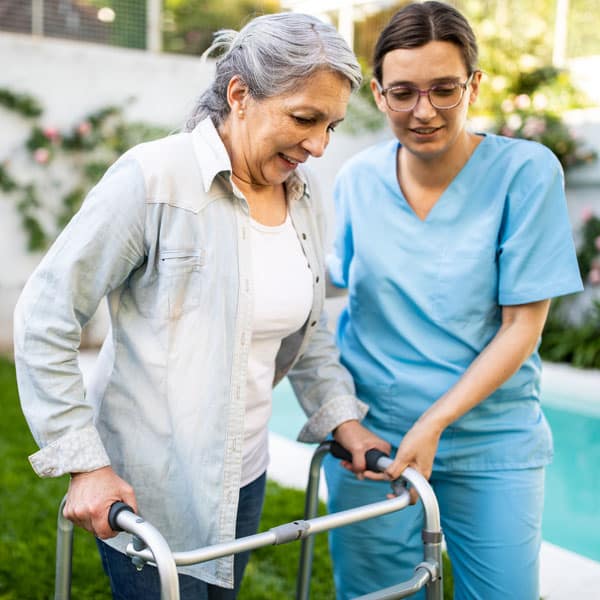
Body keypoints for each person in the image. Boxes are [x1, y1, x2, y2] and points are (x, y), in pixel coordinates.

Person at [13, 12, 388, 600]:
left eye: (332, 126)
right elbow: (46, 316)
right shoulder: (153, 177)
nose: (318, 145)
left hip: (247, 476)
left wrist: (343, 419)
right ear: (240, 94)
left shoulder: (304, 196)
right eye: (304, 118)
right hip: (149, 488)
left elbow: (307, 328)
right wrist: (86, 464)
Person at [323, 2, 584, 599]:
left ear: (474, 84)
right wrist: (343, 420)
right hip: (375, 447)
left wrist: (435, 421)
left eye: (444, 89)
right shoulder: (357, 181)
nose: (425, 111)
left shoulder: (526, 172)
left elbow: (523, 326)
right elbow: (322, 301)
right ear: (379, 93)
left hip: (491, 443)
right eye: (404, 92)